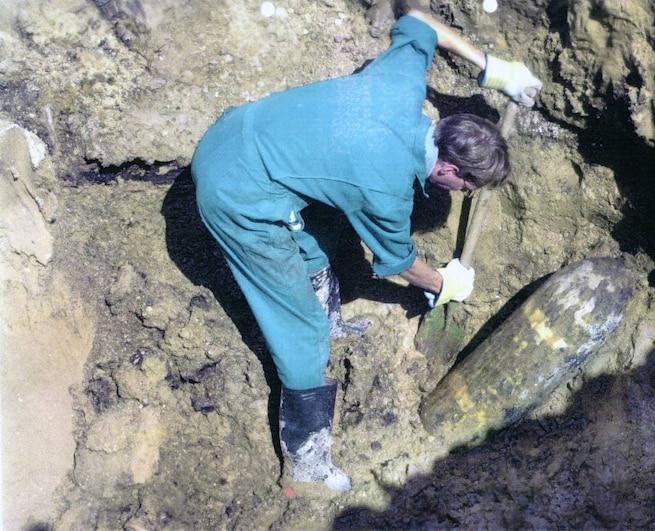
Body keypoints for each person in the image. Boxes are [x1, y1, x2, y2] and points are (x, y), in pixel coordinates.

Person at [191, 4, 542, 493]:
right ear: (451, 171)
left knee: (320, 235)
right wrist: (445, 284)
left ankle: (329, 317)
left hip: (240, 133)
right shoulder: (385, 186)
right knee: (300, 327)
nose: (461, 195)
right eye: (467, 187)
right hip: (234, 192)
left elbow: (418, 21)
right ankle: (307, 464)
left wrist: (493, 69)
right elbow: (397, 261)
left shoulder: (401, 86)